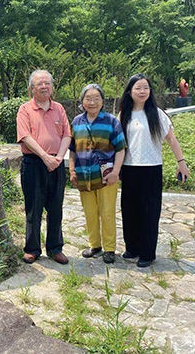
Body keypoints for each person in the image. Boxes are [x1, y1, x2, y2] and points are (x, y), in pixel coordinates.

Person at [118, 74, 190, 268]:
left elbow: (171, 139)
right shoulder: (124, 114)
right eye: (138, 88)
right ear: (130, 91)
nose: (142, 91)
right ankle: (132, 248)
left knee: (149, 212)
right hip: (129, 168)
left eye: (146, 88)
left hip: (151, 169)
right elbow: (118, 144)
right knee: (129, 211)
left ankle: (147, 253)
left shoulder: (157, 114)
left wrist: (181, 162)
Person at [16, 69, 71, 264]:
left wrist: (59, 157)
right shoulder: (25, 109)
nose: (44, 86)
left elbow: (67, 134)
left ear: (52, 87)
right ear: (32, 88)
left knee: (56, 208)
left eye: (47, 83)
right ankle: (32, 248)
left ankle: (55, 248)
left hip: (56, 163)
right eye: (40, 83)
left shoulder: (59, 108)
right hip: (34, 164)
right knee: (34, 208)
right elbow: (25, 136)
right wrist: (45, 156)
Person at [68, 84, 126, 264]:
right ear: (82, 101)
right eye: (88, 98)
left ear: (102, 101)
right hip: (84, 176)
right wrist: (71, 170)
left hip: (107, 177)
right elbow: (72, 149)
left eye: (96, 98)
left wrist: (116, 172)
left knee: (107, 213)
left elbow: (120, 148)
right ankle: (95, 245)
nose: (92, 102)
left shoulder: (111, 121)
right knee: (90, 213)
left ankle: (109, 248)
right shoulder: (77, 122)